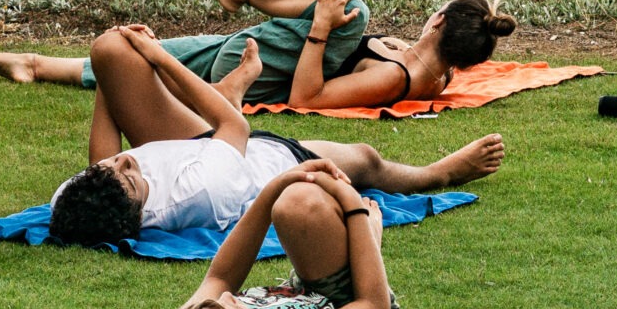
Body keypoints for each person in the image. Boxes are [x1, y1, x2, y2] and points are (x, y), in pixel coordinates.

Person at [44, 23, 504, 246]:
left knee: (110, 49)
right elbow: (235, 128)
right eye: (130, 177)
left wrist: (111, 77)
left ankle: (228, 91)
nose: (126, 158)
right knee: (365, 158)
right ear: (138, 213)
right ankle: (437, 174)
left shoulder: (74, 196)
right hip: (265, 157)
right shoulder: (201, 192)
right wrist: (159, 56)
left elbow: (100, 165)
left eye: (114, 165)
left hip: (191, 144)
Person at [0, 0, 517, 111]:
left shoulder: (397, 77)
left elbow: (307, 99)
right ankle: (34, 66)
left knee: (353, 8)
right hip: (251, 53)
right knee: (139, 56)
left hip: (262, 72)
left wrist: (320, 30)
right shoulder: (430, 69)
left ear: (438, 21)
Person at [150, 160, 400, 309]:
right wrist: (354, 207)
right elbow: (373, 304)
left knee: (292, 200)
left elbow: (221, 277)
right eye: (234, 307)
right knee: (299, 204)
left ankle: (356, 244)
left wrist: (274, 188)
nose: (226, 297)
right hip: (352, 308)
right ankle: (369, 242)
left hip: (303, 299)